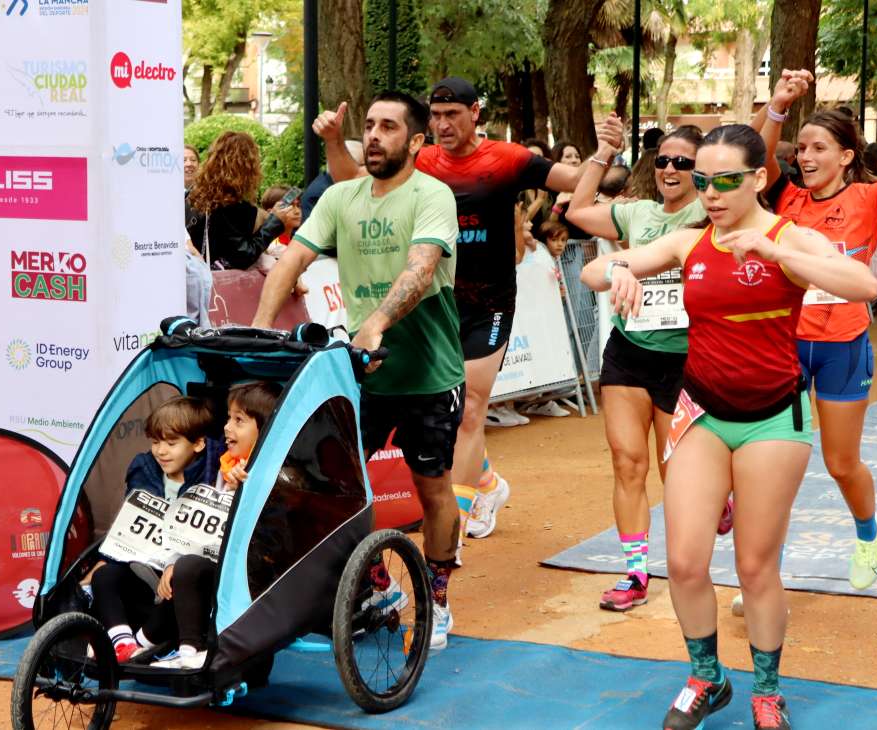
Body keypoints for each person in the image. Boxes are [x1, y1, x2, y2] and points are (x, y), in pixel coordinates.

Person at [582, 123, 877, 730]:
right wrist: (620, 272)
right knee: (686, 562)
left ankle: (766, 691)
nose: (710, 193)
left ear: (759, 178)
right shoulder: (688, 241)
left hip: (774, 418)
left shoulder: (788, 235)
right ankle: (706, 677)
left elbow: (864, 285)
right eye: (701, 180)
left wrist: (779, 256)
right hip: (702, 415)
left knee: (754, 566)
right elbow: (599, 270)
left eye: (724, 181)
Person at [313, 78, 624, 543]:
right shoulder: (419, 157)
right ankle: (489, 483)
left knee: (473, 408)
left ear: (475, 112)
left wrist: (603, 153)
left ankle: (456, 519)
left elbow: (575, 181)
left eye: (452, 114)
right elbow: (351, 185)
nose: (442, 125)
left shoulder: (508, 158)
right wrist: (335, 142)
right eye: (435, 116)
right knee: (455, 414)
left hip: (491, 302)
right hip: (434, 305)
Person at [253, 90, 465, 648]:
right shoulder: (342, 197)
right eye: (368, 125)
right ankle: (376, 583)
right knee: (327, 485)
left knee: (433, 491)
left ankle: (437, 597)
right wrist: (258, 325)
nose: (372, 135)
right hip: (361, 375)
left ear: (415, 141)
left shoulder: (431, 195)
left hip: (428, 375)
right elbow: (291, 259)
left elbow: (421, 270)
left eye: (388, 127)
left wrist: (375, 323)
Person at [755, 67, 877, 591]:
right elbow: (756, 159)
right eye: (802, 149)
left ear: (846, 157)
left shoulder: (871, 199)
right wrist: (778, 106)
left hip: (842, 347)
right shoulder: (786, 198)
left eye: (817, 149)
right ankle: (766, 570)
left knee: (839, 462)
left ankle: (867, 534)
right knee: (774, 465)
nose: (805, 158)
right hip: (785, 347)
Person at [565, 121, 707, 612]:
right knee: (628, 463)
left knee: (679, 475)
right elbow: (579, 211)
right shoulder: (638, 213)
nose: (669, 169)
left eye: (683, 162)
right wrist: (602, 152)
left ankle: (693, 559)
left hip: (685, 360)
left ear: (701, 170)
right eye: (663, 160)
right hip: (629, 352)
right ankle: (635, 574)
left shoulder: (710, 212)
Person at [148, 381, 281, 669]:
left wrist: (242, 493)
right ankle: (162, 648)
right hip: (211, 562)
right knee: (182, 568)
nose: (227, 428)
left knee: (189, 567)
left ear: (265, 429)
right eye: (228, 418)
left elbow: (268, 538)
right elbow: (200, 527)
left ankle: (189, 651)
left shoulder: (274, 475)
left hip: (250, 575)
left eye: (239, 421)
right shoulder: (222, 467)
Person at [89, 396, 223, 663]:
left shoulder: (215, 470)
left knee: (177, 589)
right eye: (155, 442)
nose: (161, 451)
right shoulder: (145, 468)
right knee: (104, 577)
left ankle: (140, 644)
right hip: (146, 568)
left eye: (172, 443)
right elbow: (128, 525)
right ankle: (122, 643)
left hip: (184, 580)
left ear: (198, 444)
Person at [186, 132, 301, 270]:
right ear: (247, 167)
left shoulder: (194, 194)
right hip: (219, 286)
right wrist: (274, 223)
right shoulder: (231, 205)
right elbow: (244, 256)